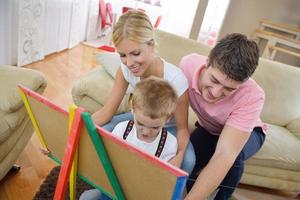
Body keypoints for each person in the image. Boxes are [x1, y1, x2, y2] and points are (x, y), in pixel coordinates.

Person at [92, 10, 195, 174]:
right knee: (102, 131)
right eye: (123, 55)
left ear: (152, 45)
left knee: (189, 160)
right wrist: (75, 129)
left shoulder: (176, 79)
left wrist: (180, 155)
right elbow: (107, 112)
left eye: (136, 53)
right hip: (142, 118)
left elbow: (182, 129)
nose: (129, 62)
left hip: (166, 125)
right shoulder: (125, 70)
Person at [180, 33, 266, 200]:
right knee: (188, 162)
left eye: (229, 88)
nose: (216, 92)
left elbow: (225, 154)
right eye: (214, 80)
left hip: (251, 133)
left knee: (235, 155)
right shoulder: (188, 64)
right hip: (210, 129)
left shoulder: (253, 95)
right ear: (207, 62)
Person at [80, 77, 179, 200]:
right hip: (116, 187)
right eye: (141, 124)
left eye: (155, 127)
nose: (146, 132)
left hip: (143, 194)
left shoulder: (169, 144)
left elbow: (163, 181)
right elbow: (109, 159)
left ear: (168, 119)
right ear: (132, 108)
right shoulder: (122, 129)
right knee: (85, 197)